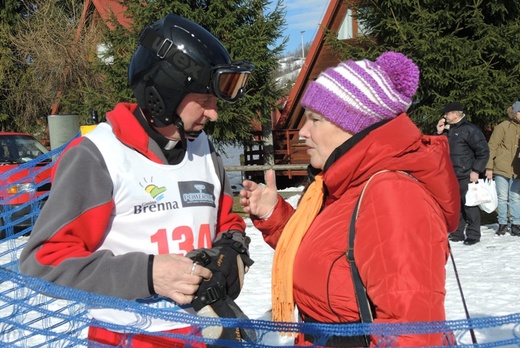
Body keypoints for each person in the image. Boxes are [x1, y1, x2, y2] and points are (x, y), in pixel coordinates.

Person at [19, 13, 255, 347]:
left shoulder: (203, 149)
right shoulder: (99, 155)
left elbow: (227, 220)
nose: (214, 112)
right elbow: (43, 261)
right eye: (204, 101)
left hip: (207, 333)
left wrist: (231, 249)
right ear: (166, 95)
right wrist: (147, 274)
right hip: (130, 336)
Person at [240, 52, 460, 346]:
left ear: (354, 128)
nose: (303, 132)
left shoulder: (393, 195)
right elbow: (326, 257)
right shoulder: (341, 185)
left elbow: (412, 332)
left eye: (315, 120)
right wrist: (275, 215)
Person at [436, 102, 490, 245]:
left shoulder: (470, 130)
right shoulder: (449, 131)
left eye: (447, 113)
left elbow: (483, 151)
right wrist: (439, 132)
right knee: (456, 205)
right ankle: (457, 232)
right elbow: (437, 149)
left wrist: (476, 170)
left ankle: (473, 235)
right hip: (451, 174)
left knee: (470, 205)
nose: (445, 116)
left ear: (455, 114)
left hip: (467, 173)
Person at [485, 101, 520, 236]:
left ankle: (516, 224)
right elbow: (492, 146)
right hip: (501, 167)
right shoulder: (503, 127)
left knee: (515, 197)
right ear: (515, 113)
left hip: (517, 170)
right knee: (502, 197)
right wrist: (489, 167)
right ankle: (502, 223)